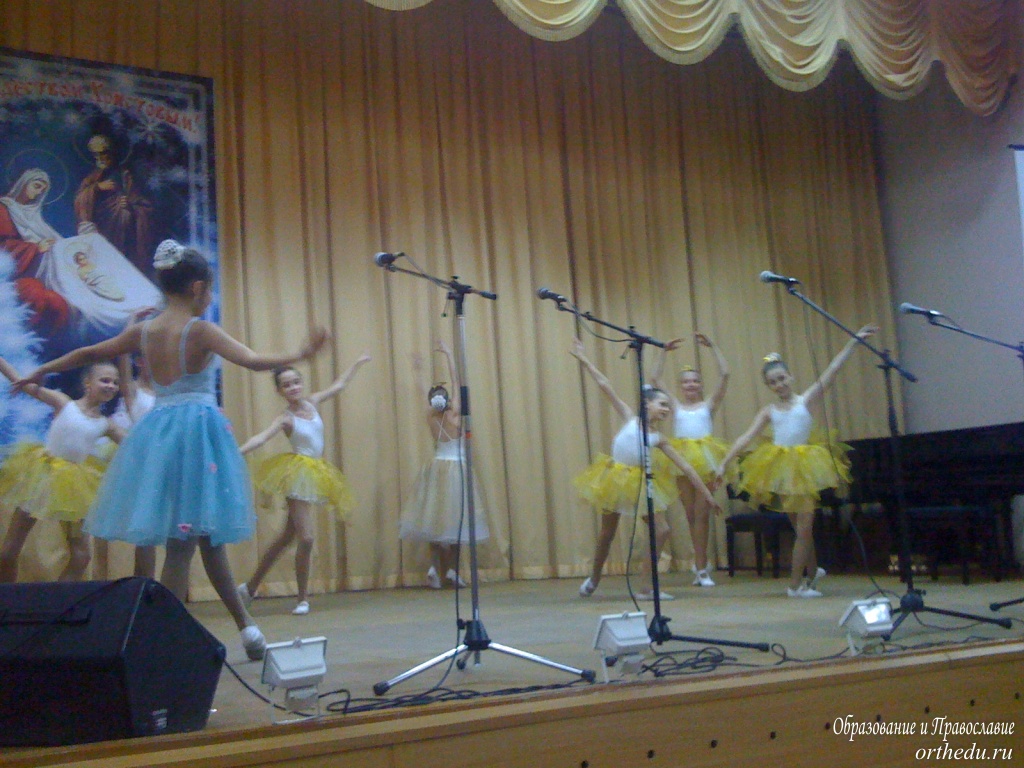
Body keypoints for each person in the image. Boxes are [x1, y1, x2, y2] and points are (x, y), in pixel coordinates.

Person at [14, 239, 329, 661]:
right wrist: (301, 353)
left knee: (206, 538)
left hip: (160, 434)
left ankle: (248, 629)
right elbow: (253, 360)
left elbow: (90, 352)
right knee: (184, 542)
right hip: (195, 435)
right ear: (197, 287)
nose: (209, 297)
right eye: (210, 290)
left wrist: (44, 368)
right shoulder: (200, 330)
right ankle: (159, 640)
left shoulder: (145, 331)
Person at [716, 325, 878, 598]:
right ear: (768, 386)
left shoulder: (806, 400)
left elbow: (832, 372)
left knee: (803, 528)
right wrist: (724, 462)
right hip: (782, 469)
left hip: (805, 467)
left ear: (790, 377)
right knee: (801, 529)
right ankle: (811, 576)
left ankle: (794, 585)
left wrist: (853, 343)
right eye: (773, 382)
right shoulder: (769, 411)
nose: (779, 385)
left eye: (782, 378)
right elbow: (746, 437)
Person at [570, 339, 719, 600]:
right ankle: (594, 578)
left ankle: (646, 587)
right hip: (614, 478)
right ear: (647, 404)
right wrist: (583, 359)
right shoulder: (630, 417)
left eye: (668, 406)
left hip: (642, 484)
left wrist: (707, 495)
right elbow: (605, 385)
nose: (666, 410)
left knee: (662, 530)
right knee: (607, 533)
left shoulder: (659, 439)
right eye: (662, 404)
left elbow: (686, 467)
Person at [236, 353, 371, 615]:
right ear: (279, 391)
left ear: (302, 383)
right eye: (286, 385)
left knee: (286, 537)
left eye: (296, 382)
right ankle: (302, 599)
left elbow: (339, 385)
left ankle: (248, 588)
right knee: (306, 538)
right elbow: (261, 438)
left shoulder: (313, 402)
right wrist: (236, 452)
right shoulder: (286, 418)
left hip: (316, 472)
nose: (293, 388)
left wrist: (357, 363)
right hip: (297, 474)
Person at [0, 357, 123, 583]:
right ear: (88, 383)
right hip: (40, 476)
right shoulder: (64, 403)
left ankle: (59, 601)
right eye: (105, 380)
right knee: (10, 548)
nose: (111, 386)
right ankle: (6, 597)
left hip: (74, 486)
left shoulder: (107, 424)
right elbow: (21, 382)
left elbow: (134, 444)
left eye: (115, 383)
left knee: (81, 556)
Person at [399, 340, 488, 589]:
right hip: (456, 470)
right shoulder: (455, 414)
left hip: (437, 469)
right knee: (457, 521)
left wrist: (417, 370)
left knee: (435, 520)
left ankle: (435, 569)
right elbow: (457, 383)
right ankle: (450, 571)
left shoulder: (430, 416)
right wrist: (449, 354)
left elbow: (421, 392)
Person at [651, 332, 730, 588]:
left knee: (702, 515)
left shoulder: (709, 405)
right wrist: (663, 351)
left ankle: (702, 569)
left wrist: (714, 346)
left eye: (695, 381)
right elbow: (654, 378)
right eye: (686, 382)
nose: (691, 385)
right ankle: (699, 565)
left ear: (701, 384)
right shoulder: (675, 405)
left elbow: (725, 375)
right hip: (682, 462)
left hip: (705, 460)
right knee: (690, 516)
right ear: (680, 386)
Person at [0, 168, 71, 333]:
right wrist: (35, 248)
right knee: (36, 294)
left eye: (42, 190)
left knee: (59, 303)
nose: (39, 192)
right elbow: (3, 246)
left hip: (35, 272)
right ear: (24, 183)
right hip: (12, 276)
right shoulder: (3, 209)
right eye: (36, 186)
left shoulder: (33, 214)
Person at [74, 134, 153, 270]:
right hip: (99, 227)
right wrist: (97, 187)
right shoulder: (92, 178)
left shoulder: (125, 176)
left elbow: (144, 205)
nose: (100, 158)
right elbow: (79, 200)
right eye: (96, 154)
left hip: (122, 231)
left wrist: (130, 206)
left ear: (111, 152)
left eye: (103, 153)